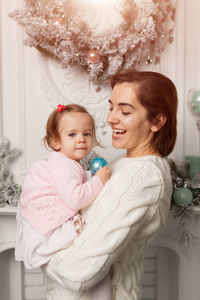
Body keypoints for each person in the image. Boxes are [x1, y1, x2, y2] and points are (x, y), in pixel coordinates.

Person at [42, 70, 178, 300]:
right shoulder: (122, 165)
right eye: (111, 107)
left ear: (157, 121)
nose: (110, 118)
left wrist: (38, 251)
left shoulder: (142, 176)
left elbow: (79, 272)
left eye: (125, 111)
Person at [15, 103, 111, 270]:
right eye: (72, 134)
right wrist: (99, 181)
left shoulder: (66, 162)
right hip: (47, 228)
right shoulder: (65, 165)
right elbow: (75, 199)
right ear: (57, 142)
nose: (81, 139)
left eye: (87, 134)